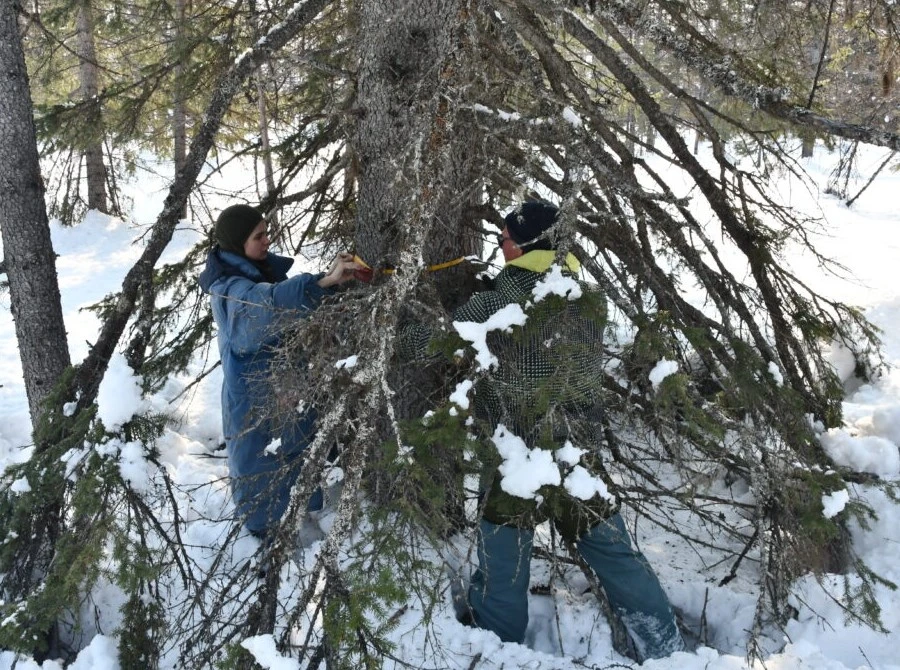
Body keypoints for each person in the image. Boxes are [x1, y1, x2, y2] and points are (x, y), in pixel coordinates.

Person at [401, 201, 684, 662]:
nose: (501, 248)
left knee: (503, 566)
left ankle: (497, 650)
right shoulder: (587, 296)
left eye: (505, 241)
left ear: (523, 246)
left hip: (518, 456)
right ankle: (667, 648)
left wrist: (395, 315)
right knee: (616, 557)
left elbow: (429, 343)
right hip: (577, 455)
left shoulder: (500, 299)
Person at [198, 203, 360, 541]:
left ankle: (304, 505)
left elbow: (284, 304)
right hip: (255, 399)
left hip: (281, 389)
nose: (268, 240)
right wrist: (319, 282)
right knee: (259, 464)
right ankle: (263, 532)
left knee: (295, 449)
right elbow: (269, 306)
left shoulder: (256, 270)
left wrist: (329, 287)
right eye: (259, 236)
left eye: (267, 232)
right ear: (237, 242)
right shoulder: (231, 291)